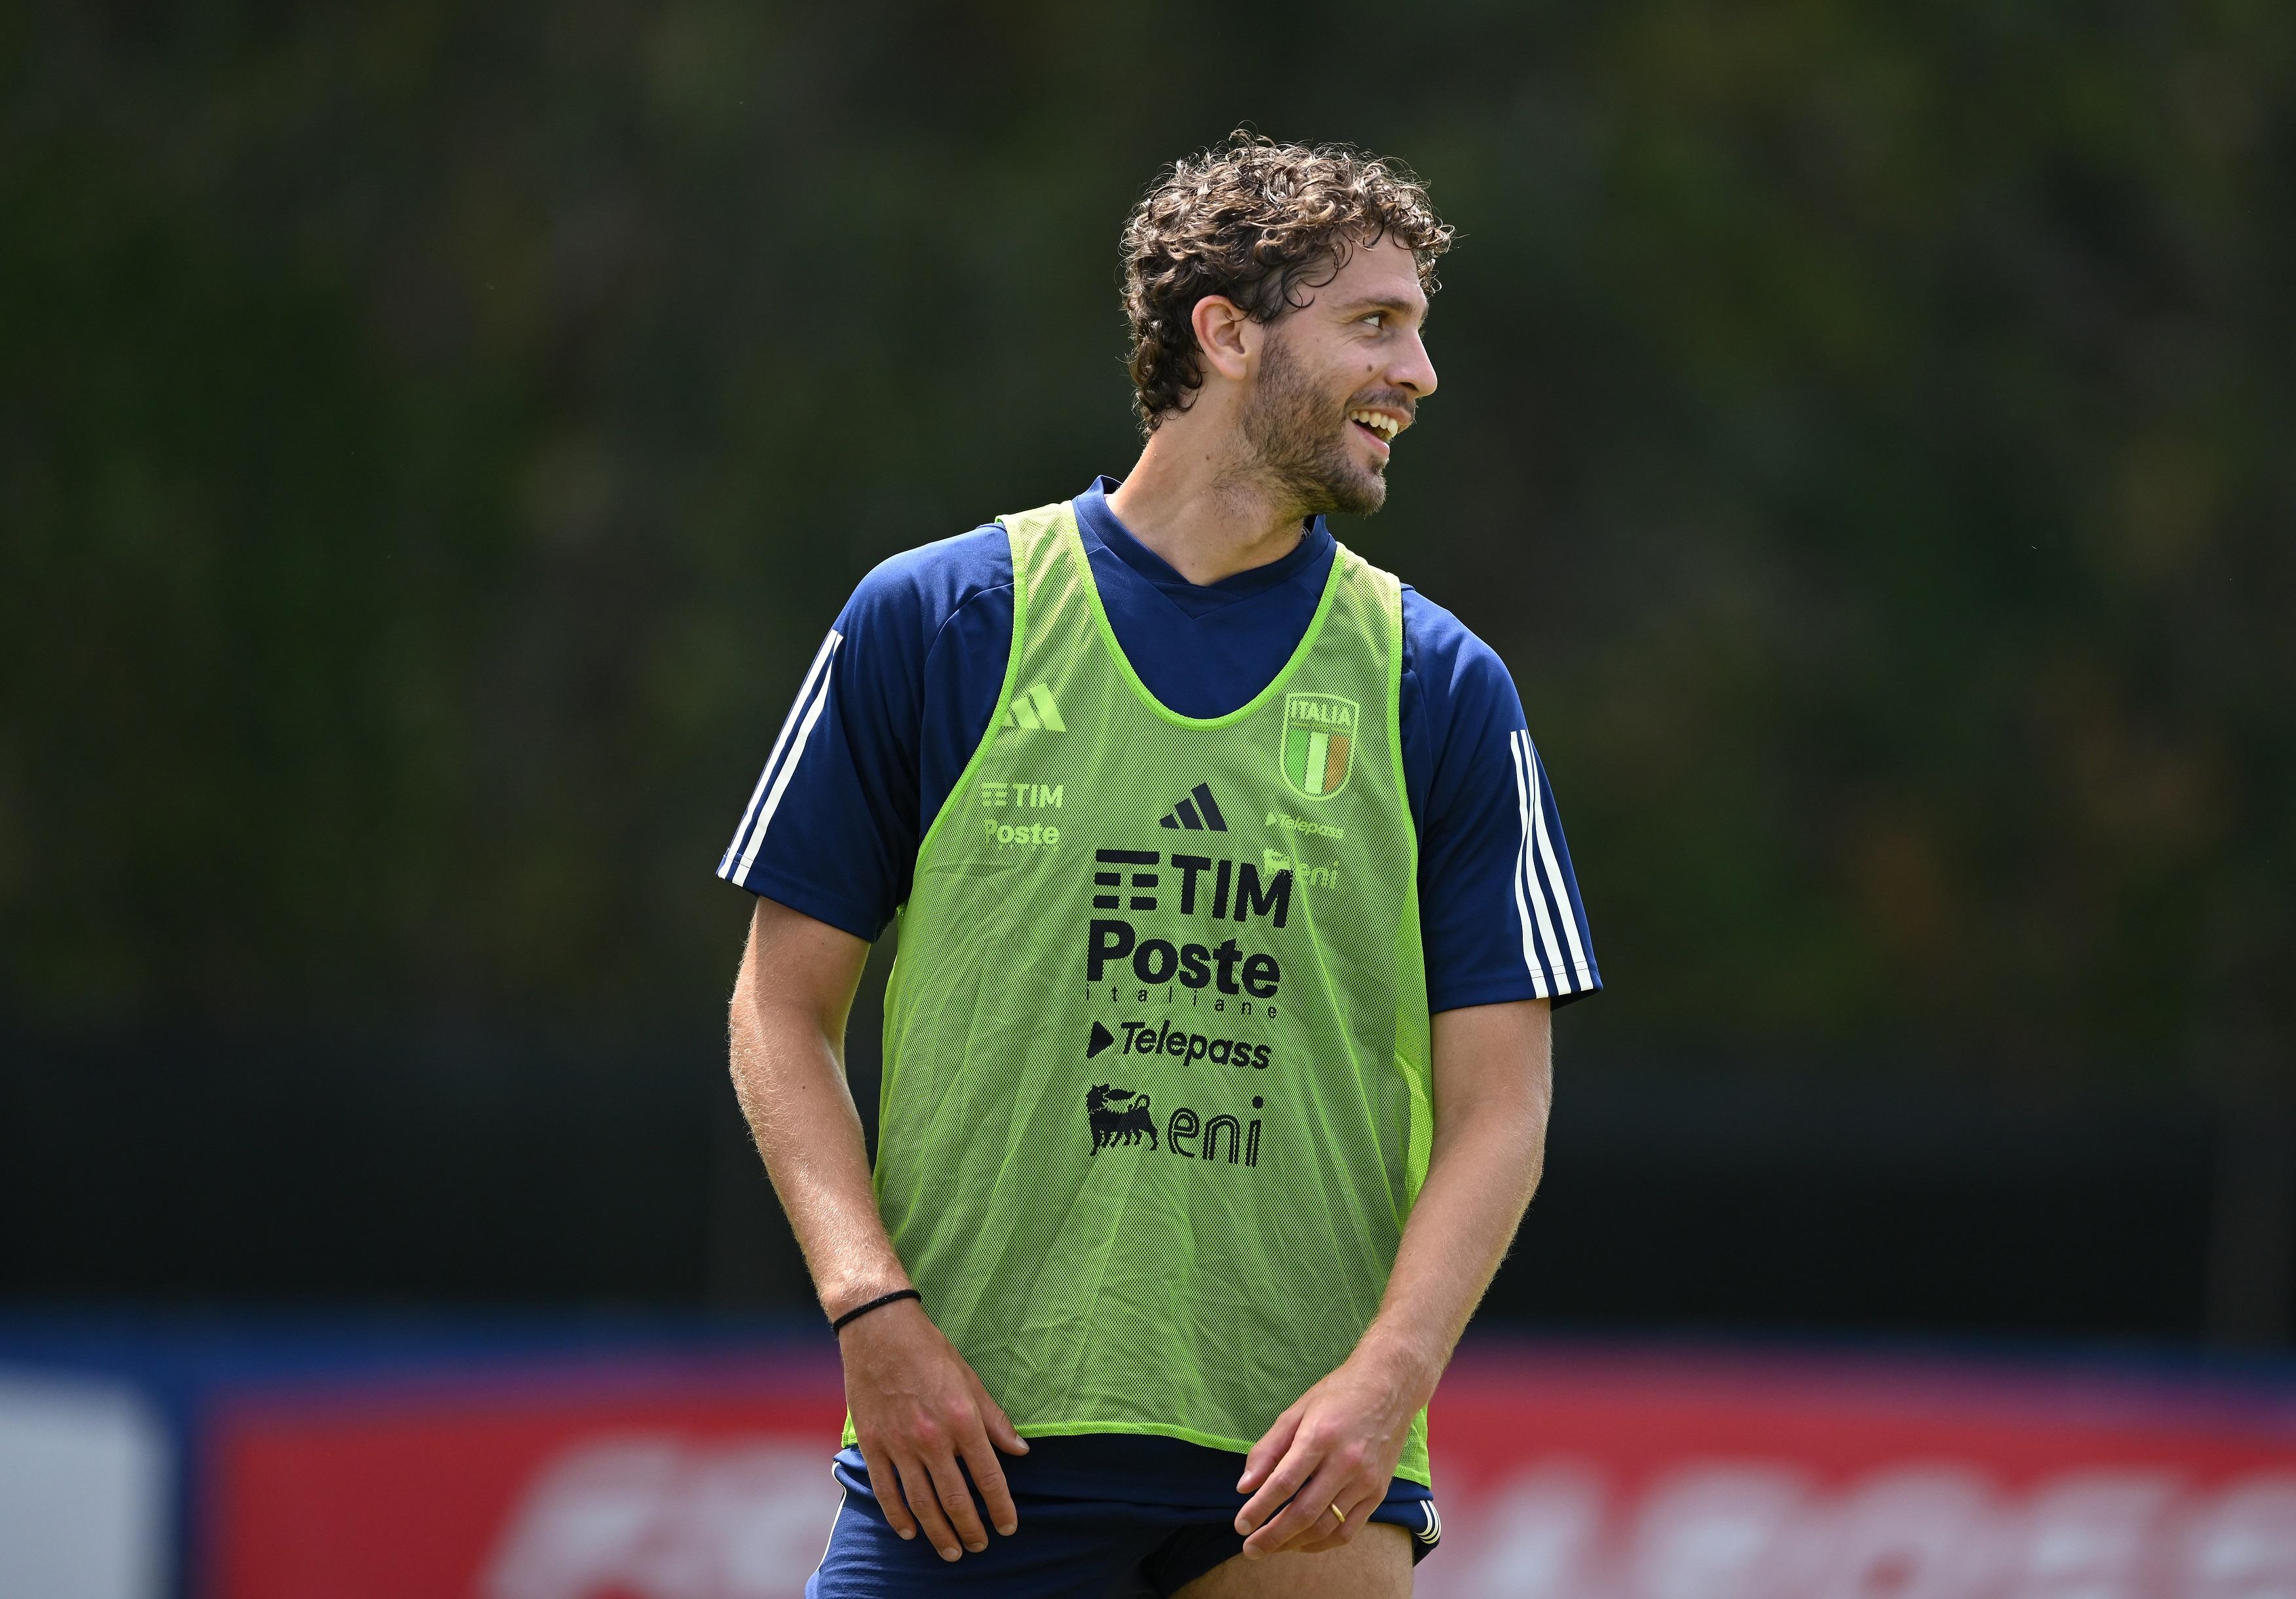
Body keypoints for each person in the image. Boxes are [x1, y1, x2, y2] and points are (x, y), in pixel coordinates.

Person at [719, 133, 1599, 1598]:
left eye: (1420, 327)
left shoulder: (1439, 685)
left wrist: (1390, 1378)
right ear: (1227, 332)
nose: (1422, 371)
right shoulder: (940, 620)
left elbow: (1502, 1105)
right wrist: (871, 1308)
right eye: (1376, 323)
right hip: (972, 1456)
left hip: (1296, 1486)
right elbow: (777, 1009)